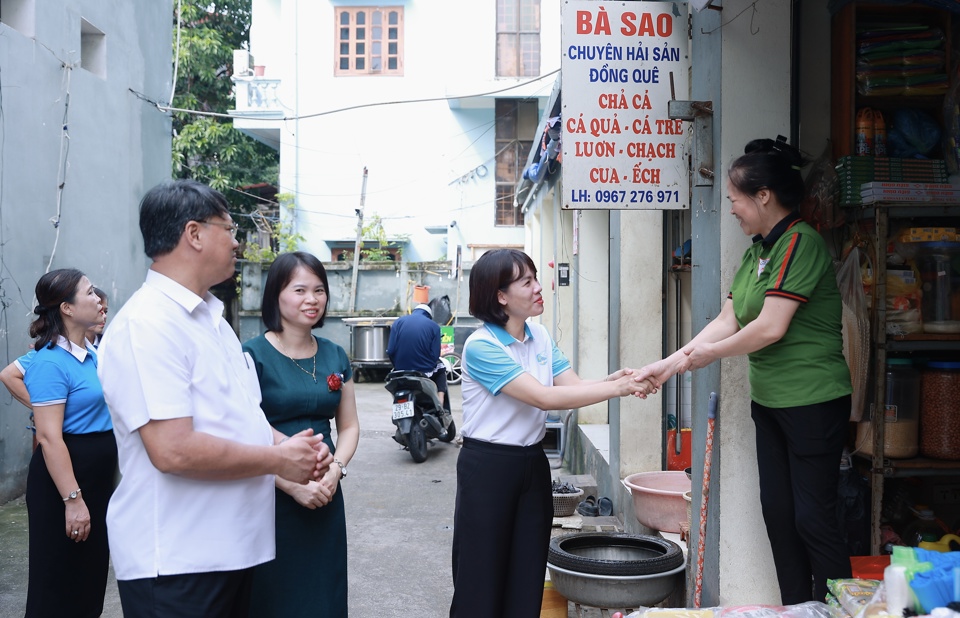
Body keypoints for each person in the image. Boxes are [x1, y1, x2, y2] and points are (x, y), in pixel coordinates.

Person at [97, 179, 334, 618]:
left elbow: (237, 416)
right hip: (177, 560)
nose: (237, 241)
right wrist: (278, 462)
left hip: (230, 551)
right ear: (195, 234)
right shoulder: (147, 325)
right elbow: (172, 450)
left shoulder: (212, 321)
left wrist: (290, 446)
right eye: (229, 228)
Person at [636, 138, 853, 604]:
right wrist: (669, 365)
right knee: (778, 513)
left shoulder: (801, 243)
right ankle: (797, 610)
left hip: (813, 401)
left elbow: (770, 327)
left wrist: (707, 358)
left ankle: (836, 608)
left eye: (734, 198)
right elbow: (726, 320)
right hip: (770, 403)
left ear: (763, 196)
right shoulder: (758, 254)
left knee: (813, 517)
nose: (730, 208)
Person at [449, 248, 658, 617]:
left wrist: (615, 380)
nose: (537, 288)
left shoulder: (540, 336)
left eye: (535, 278)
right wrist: (618, 389)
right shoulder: (483, 345)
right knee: (481, 575)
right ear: (500, 296)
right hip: (488, 467)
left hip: (532, 463)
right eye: (526, 281)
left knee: (526, 571)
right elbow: (545, 398)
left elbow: (572, 387)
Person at [243, 251, 360, 618]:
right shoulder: (251, 355)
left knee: (323, 593)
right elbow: (244, 431)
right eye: (300, 290)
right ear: (276, 293)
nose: (312, 299)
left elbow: (350, 425)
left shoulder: (335, 354)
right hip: (270, 494)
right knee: (273, 594)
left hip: (325, 494)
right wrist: (291, 485)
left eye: (319, 290)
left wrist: (334, 471)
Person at [21, 268, 116, 617]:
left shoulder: (90, 354)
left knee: (87, 580)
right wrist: (73, 501)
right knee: (57, 582)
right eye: (89, 293)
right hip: (65, 481)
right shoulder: (49, 362)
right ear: (67, 308)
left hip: (96, 478)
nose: (98, 299)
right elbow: (48, 436)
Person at [1, 288, 108, 446]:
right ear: (69, 310)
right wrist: (50, 409)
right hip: (71, 443)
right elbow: (8, 375)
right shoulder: (56, 351)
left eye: (106, 310)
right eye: (95, 302)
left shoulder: (106, 346)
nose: (102, 314)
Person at [387, 302, 447, 409]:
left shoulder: (398, 322)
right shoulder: (434, 326)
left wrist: (397, 366)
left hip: (401, 372)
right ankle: (440, 403)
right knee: (442, 368)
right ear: (429, 315)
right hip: (424, 372)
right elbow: (435, 355)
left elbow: (390, 350)